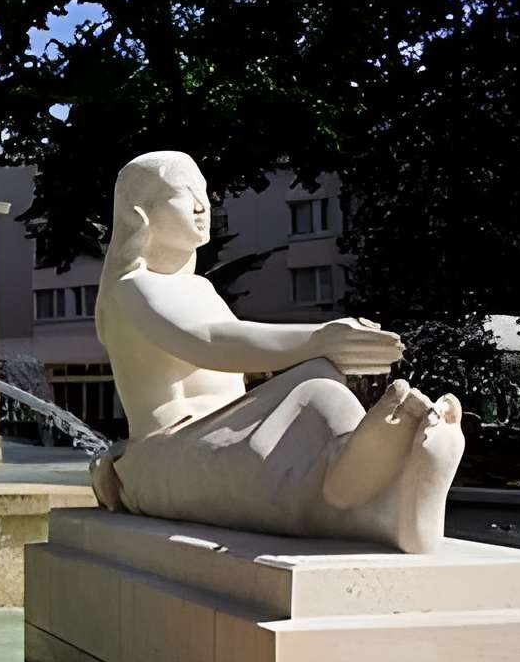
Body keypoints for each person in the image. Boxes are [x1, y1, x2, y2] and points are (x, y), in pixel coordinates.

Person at [88, 151, 466, 552]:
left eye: (204, 193)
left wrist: (324, 349)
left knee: (319, 382)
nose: (202, 206)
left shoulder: (200, 288)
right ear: (139, 214)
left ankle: (373, 476)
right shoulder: (132, 289)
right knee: (290, 416)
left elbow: (224, 338)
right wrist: (319, 337)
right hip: (166, 449)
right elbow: (210, 341)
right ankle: (380, 498)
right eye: (183, 194)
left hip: (228, 430)